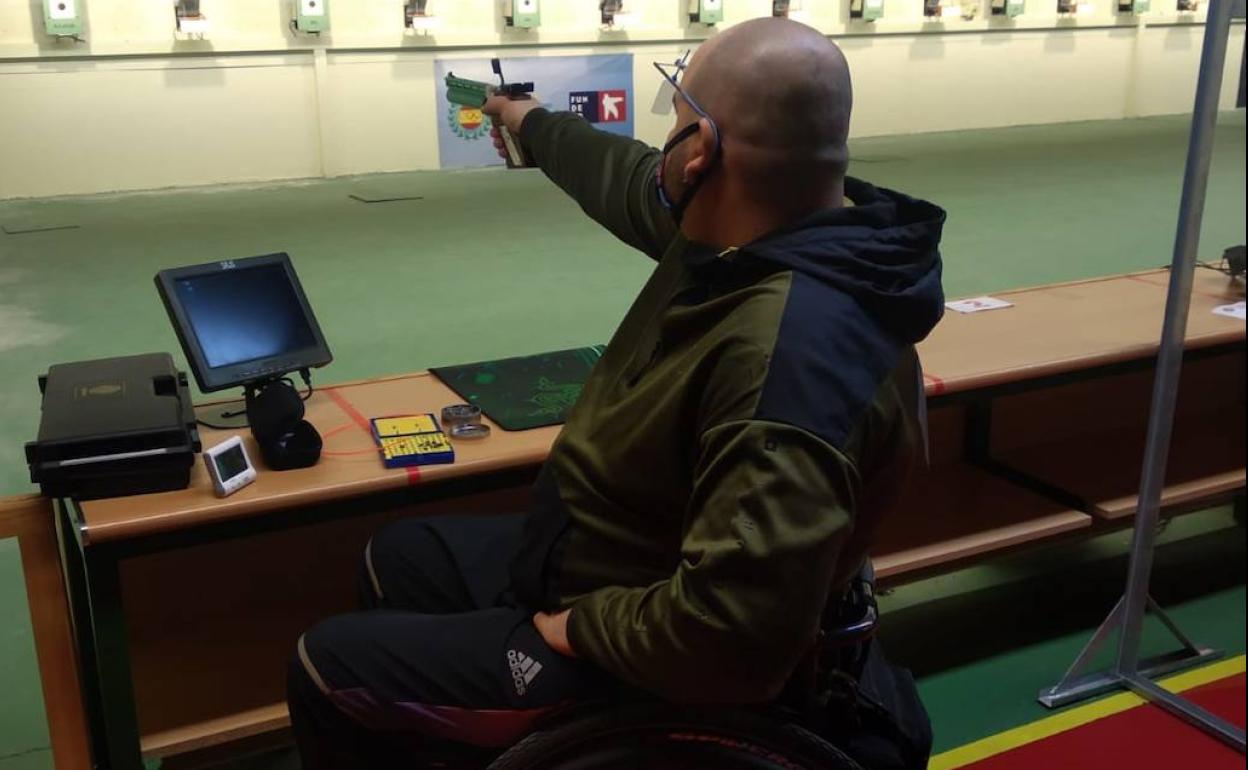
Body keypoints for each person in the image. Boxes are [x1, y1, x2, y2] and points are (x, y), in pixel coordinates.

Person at [288, 16, 946, 769]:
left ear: (700, 152)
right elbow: (621, 177)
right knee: (400, 557)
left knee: (324, 666)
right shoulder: (765, 236)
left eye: (677, 121)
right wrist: (528, 120)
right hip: (623, 553)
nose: (662, 148)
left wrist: (578, 628)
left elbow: (732, 639)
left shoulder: (792, 360)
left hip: (650, 637)